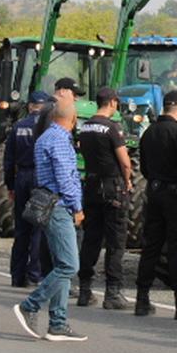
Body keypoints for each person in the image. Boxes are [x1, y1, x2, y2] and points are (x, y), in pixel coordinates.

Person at [12, 99, 88, 342]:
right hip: (59, 205)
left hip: (48, 203)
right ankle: (31, 305)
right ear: (73, 119)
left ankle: (57, 322)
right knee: (69, 265)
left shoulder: (45, 136)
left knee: (60, 265)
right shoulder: (59, 140)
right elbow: (66, 177)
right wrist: (77, 206)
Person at [135, 89, 177, 320]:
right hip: (176, 195)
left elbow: (143, 167)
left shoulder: (149, 132)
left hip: (154, 192)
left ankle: (142, 299)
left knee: (151, 246)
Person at [75, 86, 133, 309]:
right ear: (112, 102)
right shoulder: (111, 128)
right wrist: (126, 179)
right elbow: (125, 161)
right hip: (113, 186)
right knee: (116, 241)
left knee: (91, 239)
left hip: (91, 185)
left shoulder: (86, 126)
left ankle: (85, 290)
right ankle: (112, 292)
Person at [6, 91, 52, 288]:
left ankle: (17, 275)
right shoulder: (47, 126)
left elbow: (8, 160)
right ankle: (35, 273)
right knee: (38, 228)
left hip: (21, 177)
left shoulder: (18, 126)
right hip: (39, 177)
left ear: (30, 105)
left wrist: (9, 185)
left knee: (21, 229)